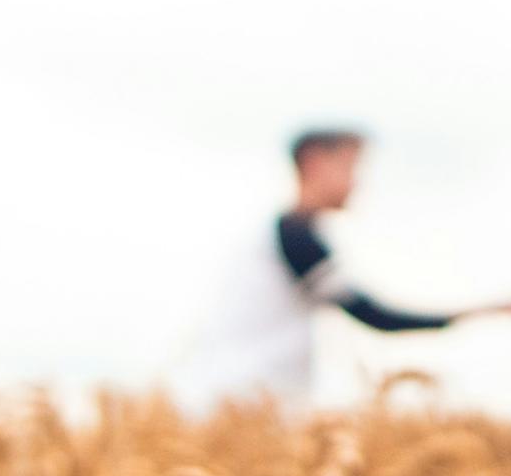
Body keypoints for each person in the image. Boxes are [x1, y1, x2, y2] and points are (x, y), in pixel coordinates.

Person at [182, 129, 484, 410]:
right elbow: (374, 315)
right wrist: (482, 311)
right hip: (246, 401)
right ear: (314, 163)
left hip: (244, 399)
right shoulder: (296, 238)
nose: (357, 183)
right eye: (349, 167)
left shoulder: (284, 236)